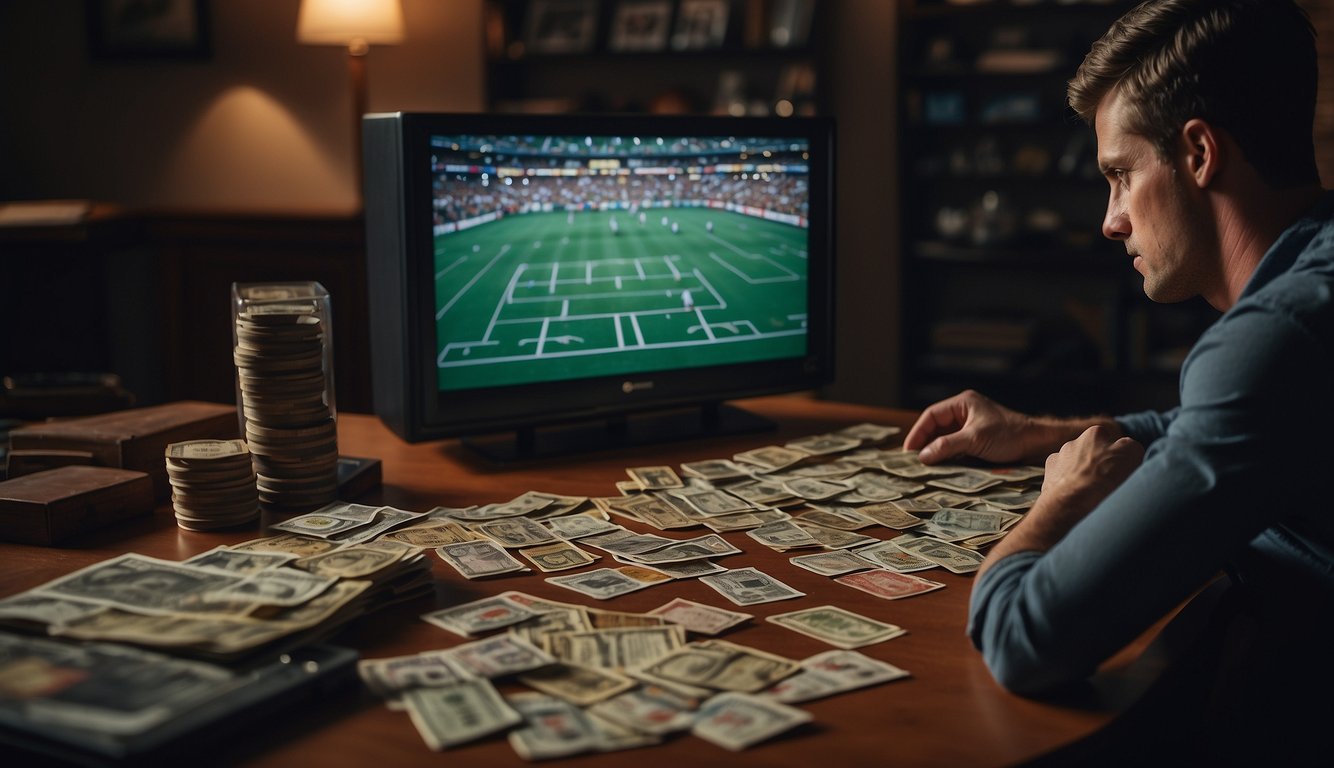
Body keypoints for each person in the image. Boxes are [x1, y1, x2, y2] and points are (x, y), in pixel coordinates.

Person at [903, 1, 1333, 762]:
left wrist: (1060, 499)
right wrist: (1043, 433)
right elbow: (1222, 429)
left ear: (1199, 153)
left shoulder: (1277, 338)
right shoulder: (1313, 280)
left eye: (1120, 176)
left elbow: (1025, 638)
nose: (1111, 220)